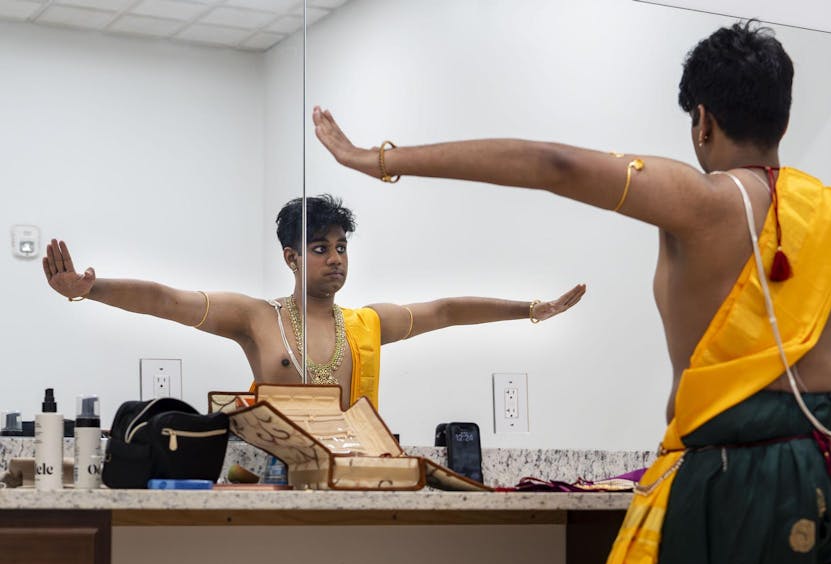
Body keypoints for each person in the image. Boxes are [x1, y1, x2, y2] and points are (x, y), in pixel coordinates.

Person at [310, 21, 831, 564]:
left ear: (703, 120)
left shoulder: (698, 201)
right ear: (782, 115)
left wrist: (378, 159)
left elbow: (551, 163)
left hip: (736, 479)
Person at [43, 194, 585, 410]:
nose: (335, 259)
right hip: (269, 475)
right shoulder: (258, 318)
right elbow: (169, 300)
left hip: (353, 478)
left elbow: (445, 311)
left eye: (341, 247)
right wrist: (93, 290)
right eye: (320, 248)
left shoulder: (366, 323)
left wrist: (530, 310)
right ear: (291, 258)